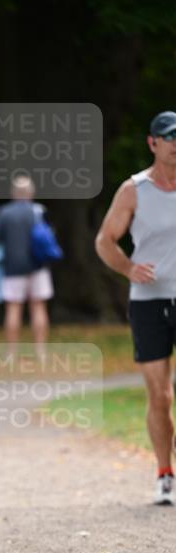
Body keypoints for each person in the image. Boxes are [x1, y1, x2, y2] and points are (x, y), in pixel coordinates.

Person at [95, 110, 176, 507]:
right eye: (169, 137)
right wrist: (128, 267)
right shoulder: (134, 190)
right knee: (160, 395)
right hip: (150, 301)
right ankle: (165, 473)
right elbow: (105, 240)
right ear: (153, 143)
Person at [0, 175, 53, 354]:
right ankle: (41, 351)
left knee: (13, 309)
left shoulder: (4, 212)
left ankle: (11, 353)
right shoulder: (39, 210)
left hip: (12, 268)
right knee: (38, 307)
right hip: (38, 266)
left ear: (14, 193)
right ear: (31, 193)